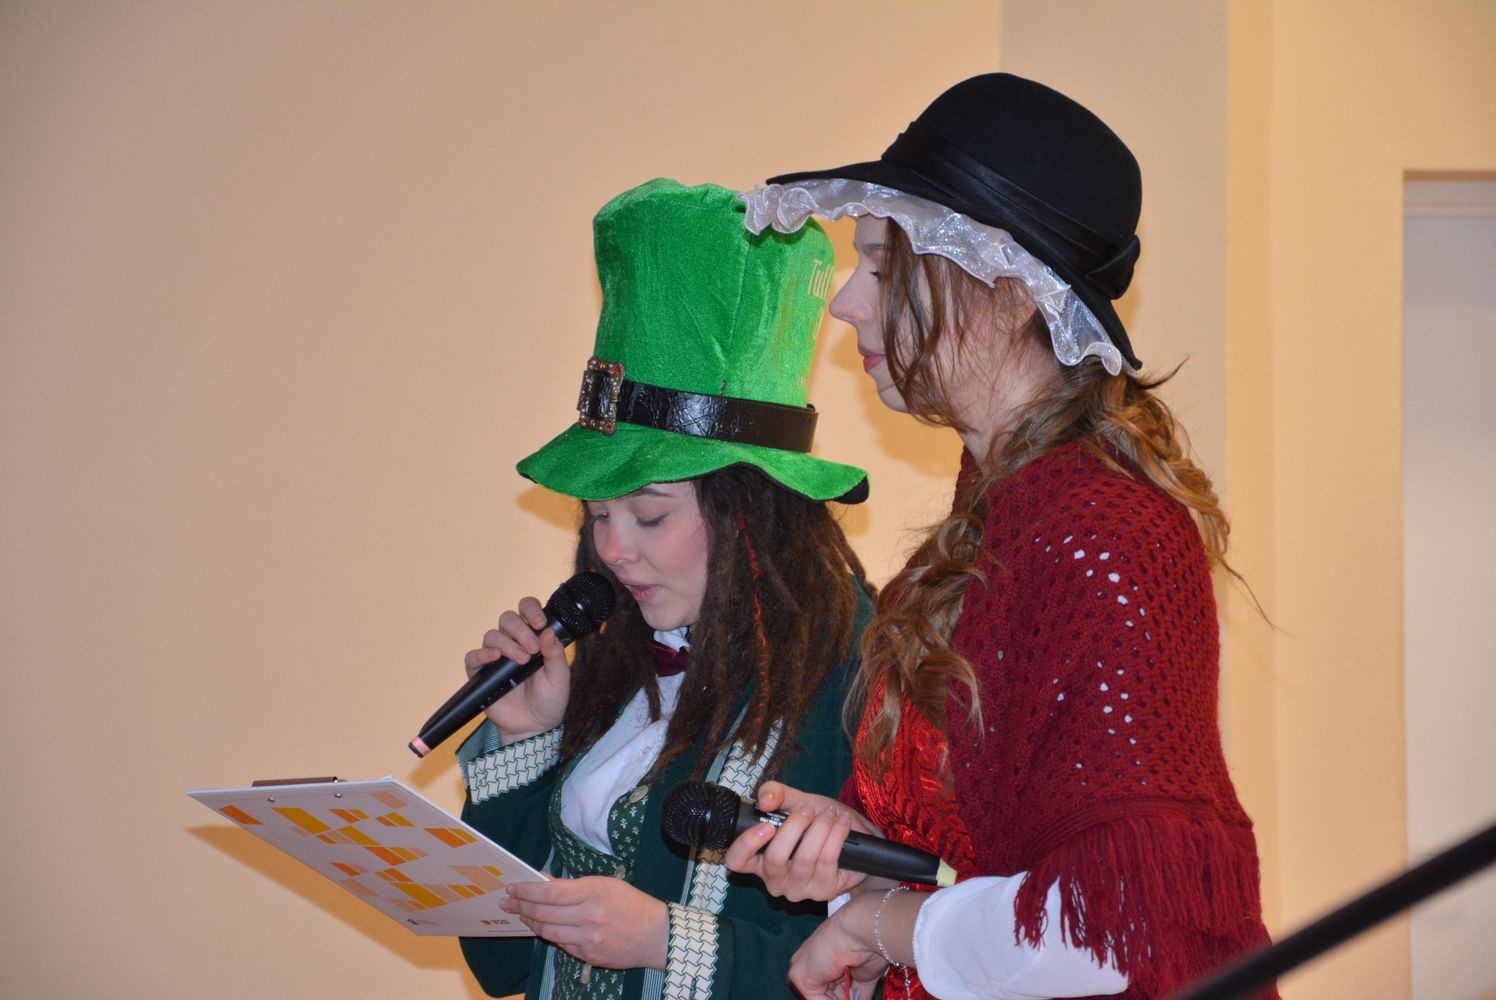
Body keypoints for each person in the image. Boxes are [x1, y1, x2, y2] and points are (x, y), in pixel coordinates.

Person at [721, 74, 1276, 1000]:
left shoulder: (1104, 532)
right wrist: (869, 856)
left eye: (883, 269)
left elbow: (1112, 926)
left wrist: (882, 925)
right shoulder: (984, 535)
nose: (847, 304)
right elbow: (991, 859)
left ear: (1011, 291)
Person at [453, 178, 876, 1000]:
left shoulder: (855, 677)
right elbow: (498, 965)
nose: (613, 551)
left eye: (650, 515)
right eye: (597, 515)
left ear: (751, 509)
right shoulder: (617, 655)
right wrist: (528, 738)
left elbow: (885, 960)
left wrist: (665, 942)